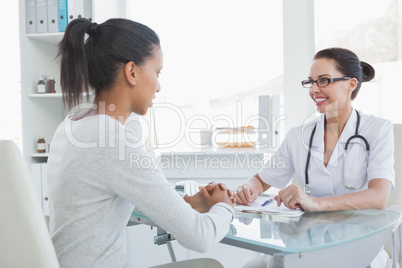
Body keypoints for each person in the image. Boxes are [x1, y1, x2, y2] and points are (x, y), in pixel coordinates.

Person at [47, 18, 235, 268]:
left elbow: (117, 197)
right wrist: (225, 207)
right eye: (157, 72)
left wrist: (189, 204)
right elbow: (199, 237)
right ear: (132, 72)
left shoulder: (73, 125)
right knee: (210, 265)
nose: (158, 86)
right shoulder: (112, 140)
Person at [235, 47, 394, 268]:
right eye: (311, 82)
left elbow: (379, 197)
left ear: (351, 84)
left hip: (359, 243)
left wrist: (315, 203)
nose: (314, 90)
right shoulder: (298, 135)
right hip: (308, 242)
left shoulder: (377, 130)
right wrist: (248, 188)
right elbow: (261, 179)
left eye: (324, 80)